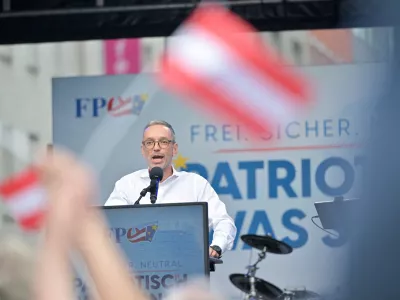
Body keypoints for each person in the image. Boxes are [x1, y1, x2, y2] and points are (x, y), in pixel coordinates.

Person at [105, 120, 237, 258]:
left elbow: (223, 221)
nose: (156, 148)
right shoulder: (127, 185)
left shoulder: (195, 184)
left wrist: (217, 246)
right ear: (143, 150)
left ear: (174, 149)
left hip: (186, 268)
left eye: (163, 142)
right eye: (149, 143)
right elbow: (107, 225)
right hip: (137, 270)